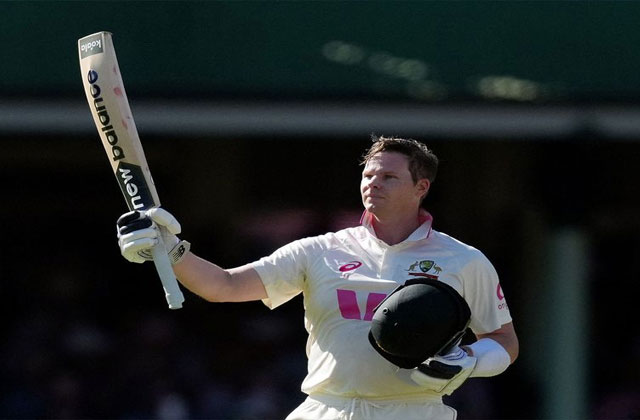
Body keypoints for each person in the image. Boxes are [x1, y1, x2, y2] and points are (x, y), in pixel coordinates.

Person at [117, 136, 519, 420]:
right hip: (326, 409)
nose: (373, 184)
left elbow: (504, 340)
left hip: (414, 411)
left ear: (421, 187)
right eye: (368, 175)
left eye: (388, 177)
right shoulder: (319, 250)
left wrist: (467, 360)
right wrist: (170, 250)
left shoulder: (464, 261)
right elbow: (224, 286)